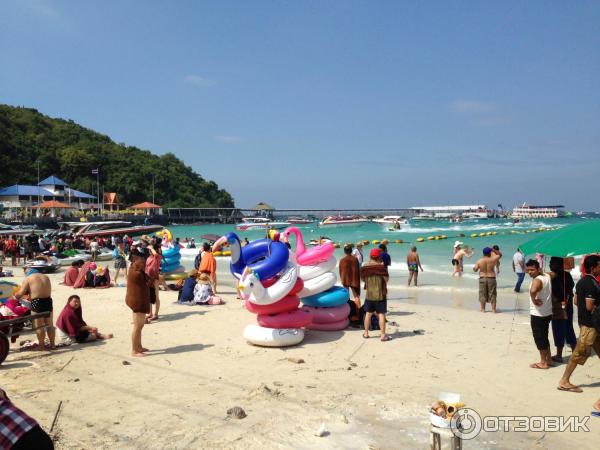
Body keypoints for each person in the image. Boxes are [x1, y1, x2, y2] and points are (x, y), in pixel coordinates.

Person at [558, 254, 600, 392]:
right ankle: (564, 380)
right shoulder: (592, 283)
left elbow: (576, 301)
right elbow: (589, 306)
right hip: (590, 325)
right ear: (593, 267)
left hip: (586, 323)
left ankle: (565, 380)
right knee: (579, 353)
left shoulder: (582, 281)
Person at [14, 269, 55, 350]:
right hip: (48, 301)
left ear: (27, 273)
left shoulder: (29, 278)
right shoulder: (46, 277)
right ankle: (53, 345)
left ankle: (41, 346)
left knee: (39, 326)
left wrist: (15, 295)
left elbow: (20, 294)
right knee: (50, 325)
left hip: (37, 302)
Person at [548, 257, 577, 363]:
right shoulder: (566, 275)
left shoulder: (555, 276)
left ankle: (560, 355)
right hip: (567, 305)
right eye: (550, 262)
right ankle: (574, 352)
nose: (550, 264)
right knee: (568, 327)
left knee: (559, 329)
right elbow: (571, 287)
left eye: (552, 263)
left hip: (559, 307)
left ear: (559, 264)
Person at [526, 259, 553, 369]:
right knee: (544, 336)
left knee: (539, 338)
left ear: (538, 269)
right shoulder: (546, 276)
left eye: (532, 270)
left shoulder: (537, 280)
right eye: (528, 270)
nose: (530, 272)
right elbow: (552, 273)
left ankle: (543, 362)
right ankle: (549, 359)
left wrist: (534, 300)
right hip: (547, 312)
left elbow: (533, 290)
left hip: (538, 314)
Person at [360, 248, 391, 341]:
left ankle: (366, 333)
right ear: (379, 257)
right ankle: (382, 335)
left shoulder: (365, 267)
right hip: (380, 294)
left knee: (368, 313)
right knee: (381, 314)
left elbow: (363, 279)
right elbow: (386, 280)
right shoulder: (381, 267)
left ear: (370, 256)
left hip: (369, 294)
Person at [125, 248, 151, 357]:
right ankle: (134, 350)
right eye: (142, 262)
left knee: (140, 326)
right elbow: (148, 280)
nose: (144, 264)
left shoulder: (134, 269)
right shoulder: (136, 272)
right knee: (137, 326)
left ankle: (139, 346)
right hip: (137, 301)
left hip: (138, 300)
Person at [473, 247, 501, 313]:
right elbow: (500, 255)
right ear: (490, 253)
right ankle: (493, 310)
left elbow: (475, 269)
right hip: (491, 278)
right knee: (493, 294)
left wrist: (475, 268)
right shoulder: (493, 259)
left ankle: (483, 309)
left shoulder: (479, 260)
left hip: (482, 278)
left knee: (482, 294)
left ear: (483, 253)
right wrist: (493, 250)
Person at [339, 244, 361, 322]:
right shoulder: (355, 259)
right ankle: (359, 313)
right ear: (351, 251)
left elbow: (341, 271)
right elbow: (357, 270)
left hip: (345, 279)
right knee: (356, 296)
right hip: (354, 280)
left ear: (345, 251)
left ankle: (347, 314)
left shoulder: (342, 260)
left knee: (346, 297)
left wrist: (342, 279)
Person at [146, 242, 162, 321]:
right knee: (149, 297)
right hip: (148, 279)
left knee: (156, 297)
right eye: (149, 250)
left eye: (150, 250)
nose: (149, 251)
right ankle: (150, 313)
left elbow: (156, 255)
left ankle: (156, 314)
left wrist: (152, 248)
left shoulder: (158, 257)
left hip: (155, 279)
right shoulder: (148, 258)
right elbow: (146, 269)